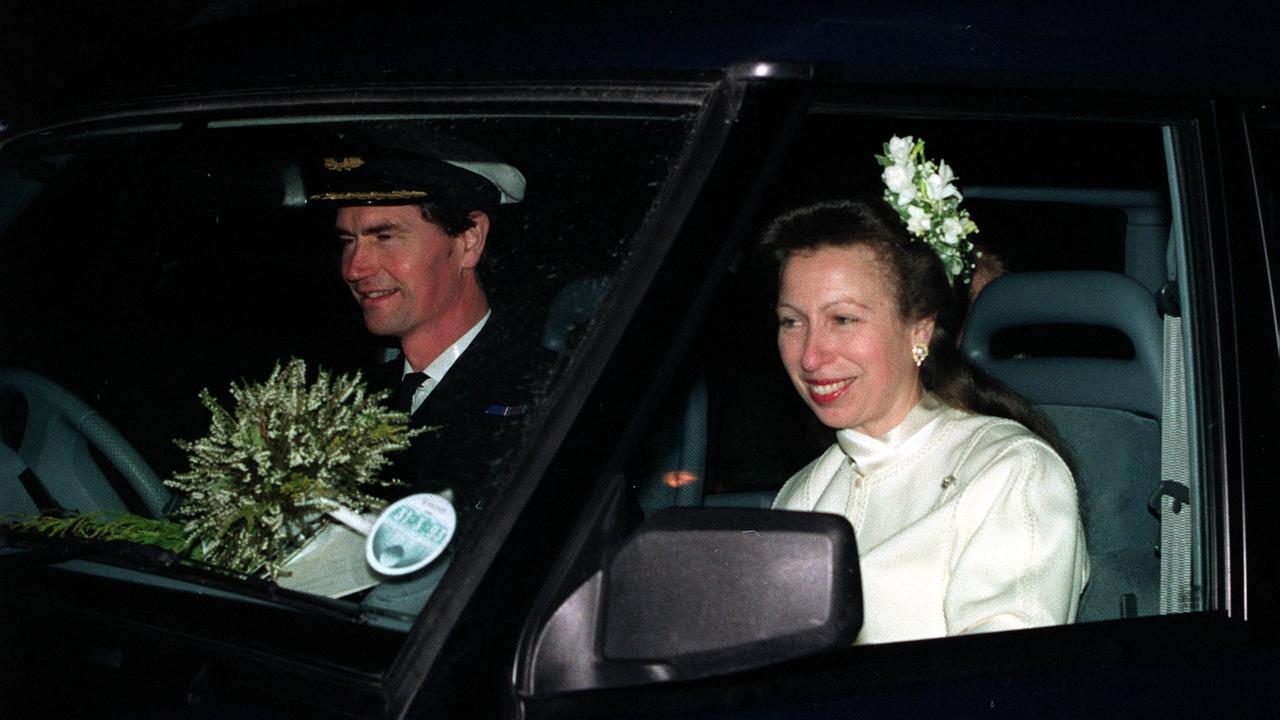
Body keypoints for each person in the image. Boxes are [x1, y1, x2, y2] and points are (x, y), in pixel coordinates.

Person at [765, 197, 1089, 645]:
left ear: (919, 329)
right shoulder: (804, 492)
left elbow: (1004, 685)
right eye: (791, 322)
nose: (811, 355)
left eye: (843, 319)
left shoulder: (1010, 473)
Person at [308, 138, 556, 519]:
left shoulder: (552, 394)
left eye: (384, 237)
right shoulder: (344, 397)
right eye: (347, 241)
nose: (354, 268)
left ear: (469, 239)